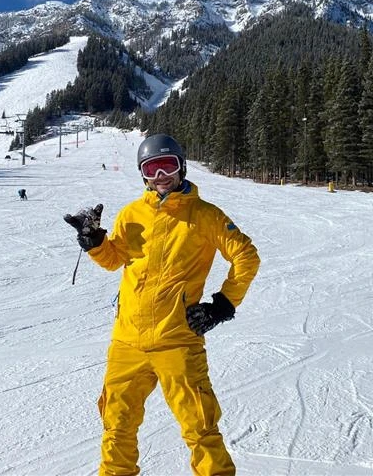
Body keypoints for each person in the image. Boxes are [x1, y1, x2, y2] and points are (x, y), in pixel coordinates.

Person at [64, 133, 260, 476]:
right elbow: (114, 260)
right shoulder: (132, 214)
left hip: (178, 339)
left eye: (167, 166)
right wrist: (95, 241)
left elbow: (246, 257)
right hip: (127, 340)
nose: (161, 176)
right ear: (143, 174)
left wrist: (223, 305)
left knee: (200, 427)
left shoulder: (205, 215)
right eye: (152, 169)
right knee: (116, 427)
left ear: (181, 167)